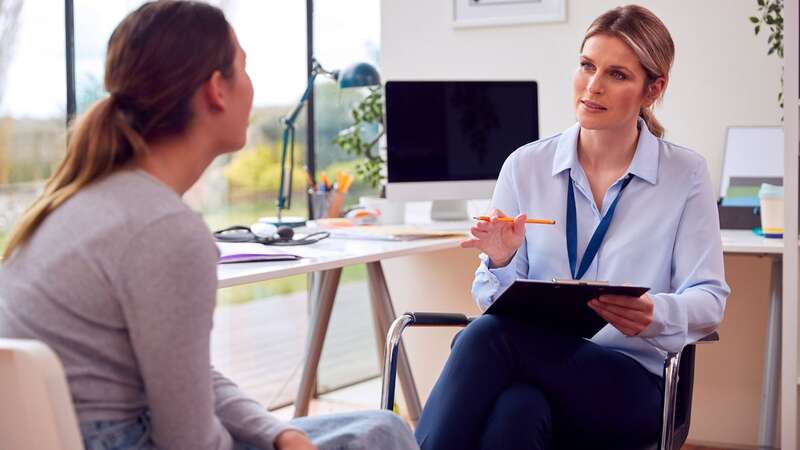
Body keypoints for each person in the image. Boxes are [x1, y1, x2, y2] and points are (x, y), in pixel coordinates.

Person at [0, 2, 418, 450]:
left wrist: (279, 432)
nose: (252, 86)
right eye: (243, 67)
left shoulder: (80, 201)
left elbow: (186, 375)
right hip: (123, 439)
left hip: (99, 432)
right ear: (216, 89)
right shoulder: (165, 231)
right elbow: (190, 441)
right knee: (383, 437)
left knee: (379, 429)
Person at [413, 5, 730, 450]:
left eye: (617, 75)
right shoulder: (526, 166)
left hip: (630, 384)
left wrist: (656, 313)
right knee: (517, 411)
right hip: (533, 370)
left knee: (485, 338)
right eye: (586, 65)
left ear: (652, 89)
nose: (593, 86)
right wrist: (501, 260)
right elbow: (489, 299)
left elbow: (709, 299)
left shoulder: (685, 175)